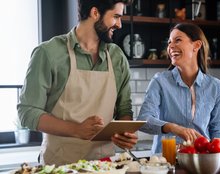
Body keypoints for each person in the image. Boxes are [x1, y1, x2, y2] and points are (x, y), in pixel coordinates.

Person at [17, 0, 137, 165]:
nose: (119, 24)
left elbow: (124, 109)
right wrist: (76, 130)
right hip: (60, 166)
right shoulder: (48, 53)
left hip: (106, 166)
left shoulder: (117, 57)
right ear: (95, 13)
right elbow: (27, 112)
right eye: (116, 16)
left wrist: (124, 133)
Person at [137, 23, 220, 153]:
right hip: (166, 162)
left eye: (177, 40)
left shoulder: (217, 88)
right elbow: (143, 120)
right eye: (169, 42)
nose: (170, 46)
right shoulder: (160, 82)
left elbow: (217, 129)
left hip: (201, 160)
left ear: (196, 45)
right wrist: (173, 128)